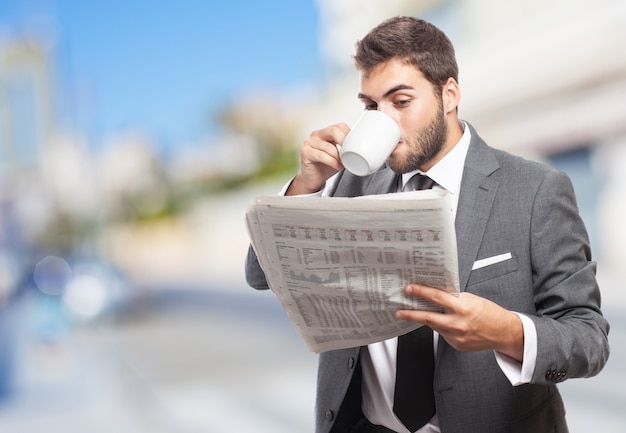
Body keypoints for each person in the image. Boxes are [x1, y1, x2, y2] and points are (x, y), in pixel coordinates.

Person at [245, 15, 610, 433]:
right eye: (370, 106)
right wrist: (304, 187)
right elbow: (261, 276)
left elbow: (589, 339)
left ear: (449, 94)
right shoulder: (351, 181)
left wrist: (508, 332)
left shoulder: (535, 189)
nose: (384, 120)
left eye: (401, 101)